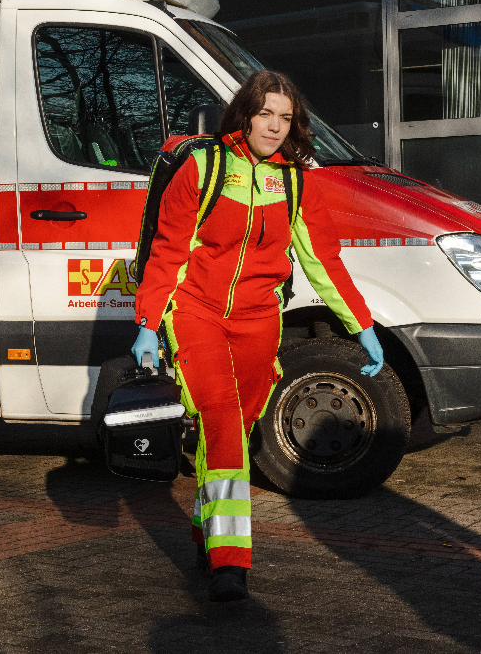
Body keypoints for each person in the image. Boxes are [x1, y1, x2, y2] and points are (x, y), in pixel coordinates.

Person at [131, 70, 383, 603]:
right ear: (244, 114)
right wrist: (148, 322)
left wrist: (363, 325)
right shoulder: (204, 166)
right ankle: (230, 564)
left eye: (284, 117)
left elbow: (323, 262)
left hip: (258, 321)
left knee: (234, 432)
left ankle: (207, 530)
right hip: (196, 312)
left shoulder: (294, 181)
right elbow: (168, 251)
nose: (273, 126)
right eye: (265, 113)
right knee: (220, 419)